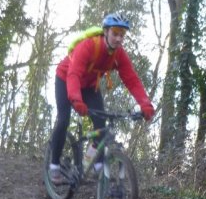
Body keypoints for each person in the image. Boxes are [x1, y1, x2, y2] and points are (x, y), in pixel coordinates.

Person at [49, 12, 155, 184]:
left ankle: (93, 166)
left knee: (101, 126)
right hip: (66, 78)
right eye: (115, 33)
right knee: (63, 119)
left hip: (90, 86)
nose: (119, 39)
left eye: (122, 35)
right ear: (105, 32)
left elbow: (132, 79)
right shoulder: (88, 46)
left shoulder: (119, 54)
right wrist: (75, 99)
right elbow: (74, 73)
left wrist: (145, 104)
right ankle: (54, 166)